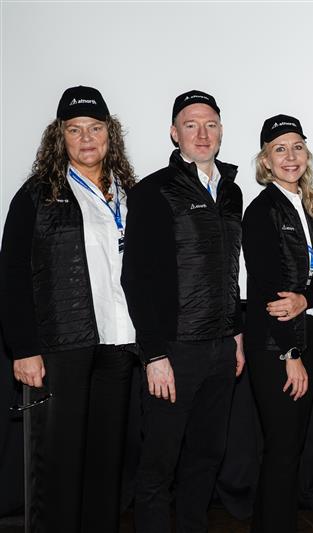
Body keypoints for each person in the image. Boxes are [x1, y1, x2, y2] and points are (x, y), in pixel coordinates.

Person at [0, 86, 137, 533]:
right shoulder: (37, 195)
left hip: (118, 345)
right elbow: (12, 273)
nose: (86, 138)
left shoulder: (129, 193)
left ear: (110, 133)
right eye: (75, 130)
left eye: (95, 128)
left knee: (105, 464)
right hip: (62, 346)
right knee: (59, 466)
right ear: (59, 137)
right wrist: (23, 347)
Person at [121, 90, 245, 532]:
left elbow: (230, 269)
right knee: (159, 464)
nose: (202, 133)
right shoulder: (152, 191)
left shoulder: (232, 192)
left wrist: (236, 335)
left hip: (221, 348)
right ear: (175, 133)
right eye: (191, 125)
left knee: (206, 457)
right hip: (174, 350)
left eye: (210, 124)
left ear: (221, 131)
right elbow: (136, 278)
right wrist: (154, 354)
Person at [242, 115, 313, 533]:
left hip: (312, 335)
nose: (290, 156)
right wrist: (290, 353)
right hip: (276, 345)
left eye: (297, 147)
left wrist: (308, 300)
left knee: (291, 447)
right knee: (281, 448)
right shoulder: (261, 211)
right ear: (266, 160)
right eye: (280, 149)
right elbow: (267, 291)